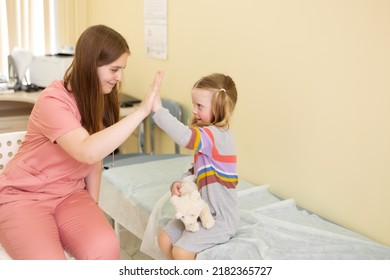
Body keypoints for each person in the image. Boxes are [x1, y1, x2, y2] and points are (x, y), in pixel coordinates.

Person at [0, 25, 163, 260]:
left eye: (122, 70)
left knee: (106, 247)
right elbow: (86, 151)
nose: (119, 77)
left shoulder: (101, 100)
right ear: (90, 65)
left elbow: (95, 161)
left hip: (69, 195)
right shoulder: (53, 100)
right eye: (114, 69)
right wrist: (141, 112)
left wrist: (91, 210)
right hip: (23, 196)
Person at [152, 73, 239, 260]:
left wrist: (158, 110)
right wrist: (181, 181)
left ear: (220, 108)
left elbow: (184, 137)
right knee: (164, 239)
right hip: (200, 209)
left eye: (199, 106)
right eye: (194, 105)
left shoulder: (217, 135)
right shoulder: (208, 136)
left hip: (220, 219)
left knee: (181, 252)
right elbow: (196, 170)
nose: (194, 110)